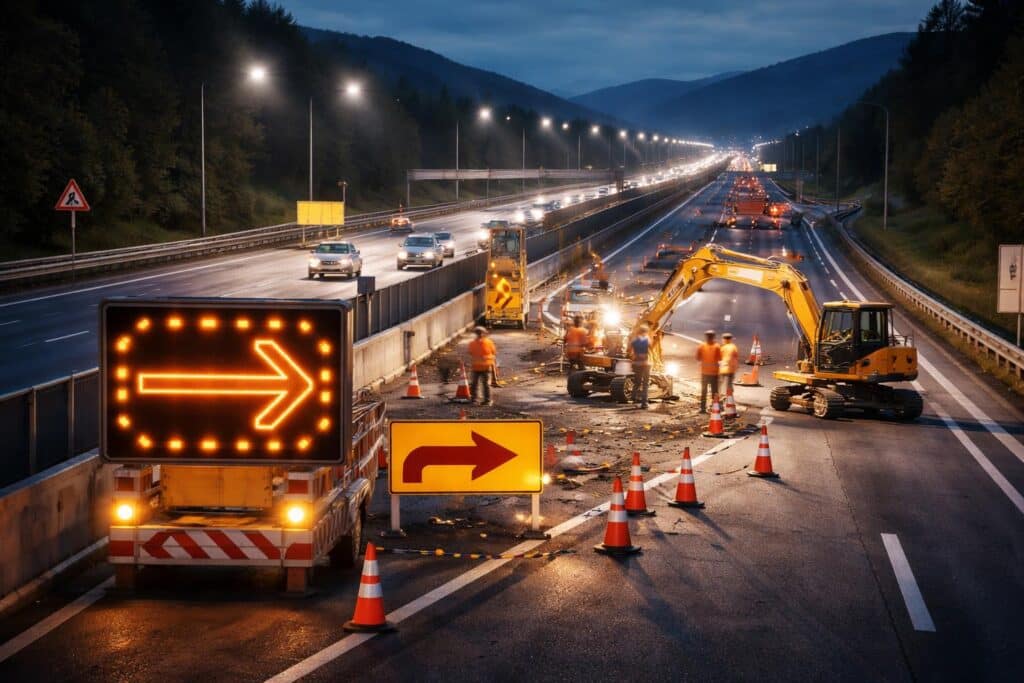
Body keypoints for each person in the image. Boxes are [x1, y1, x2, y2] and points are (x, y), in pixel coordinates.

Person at [467, 326, 497, 405]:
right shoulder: (488, 342)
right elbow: (494, 352)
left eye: (480, 333)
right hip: (482, 367)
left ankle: (477, 399)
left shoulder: (473, 343)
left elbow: (470, 353)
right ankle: (485, 400)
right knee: (482, 384)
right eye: (479, 333)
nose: (480, 334)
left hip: (481, 367)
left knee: (477, 384)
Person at [696, 330, 722, 413]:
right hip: (714, 373)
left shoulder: (702, 346)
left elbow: (698, 357)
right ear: (713, 337)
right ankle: (715, 408)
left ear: (706, 337)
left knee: (704, 391)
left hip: (704, 373)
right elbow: (720, 358)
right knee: (714, 392)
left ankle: (703, 409)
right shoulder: (717, 346)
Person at [630, 325, 652, 409]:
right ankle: (644, 403)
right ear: (646, 332)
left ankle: (633, 396)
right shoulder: (647, 339)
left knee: (637, 382)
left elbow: (629, 350)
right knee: (645, 384)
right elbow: (651, 348)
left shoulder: (634, 340)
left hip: (636, 363)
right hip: (645, 364)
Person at [719, 332, 739, 397]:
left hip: (723, 368)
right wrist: (736, 367)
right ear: (730, 339)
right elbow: (736, 357)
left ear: (724, 339)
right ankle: (729, 398)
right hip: (731, 369)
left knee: (719, 383)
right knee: (729, 384)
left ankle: (717, 397)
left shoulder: (723, 347)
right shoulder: (733, 347)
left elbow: (719, 358)